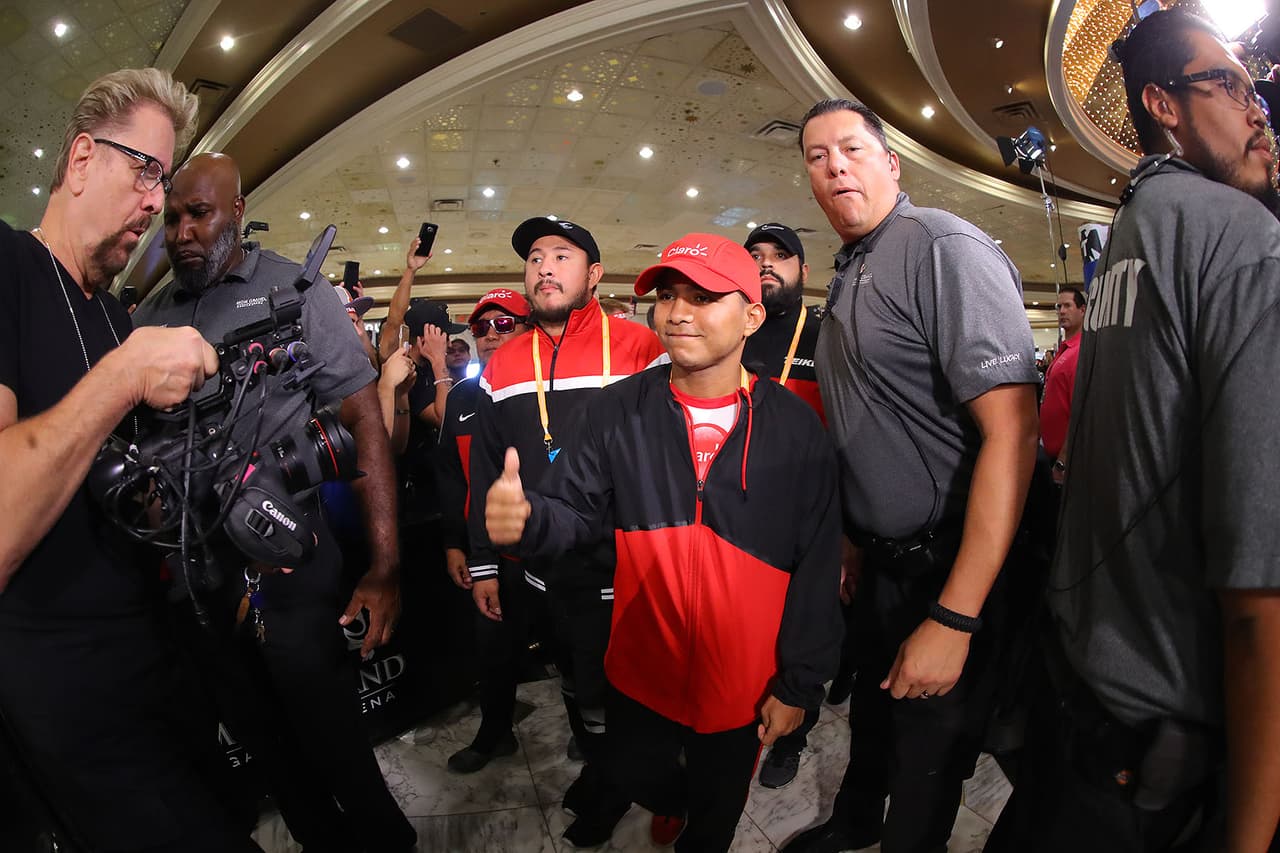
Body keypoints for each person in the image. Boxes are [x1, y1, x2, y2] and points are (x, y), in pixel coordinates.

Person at [997, 10, 1280, 850]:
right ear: (1164, 103)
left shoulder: (1132, 233)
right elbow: (1259, 591)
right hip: (1162, 742)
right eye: (1227, 84)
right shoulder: (1243, 240)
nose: (1257, 105)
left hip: (1086, 693)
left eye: (1253, 85)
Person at [485, 232, 842, 853]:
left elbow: (816, 566)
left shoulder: (795, 427)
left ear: (751, 315)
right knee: (632, 772)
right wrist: (529, 519)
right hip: (641, 666)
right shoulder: (617, 410)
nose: (678, 313)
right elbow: (571, 507)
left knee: (715, 817)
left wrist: (798, 686)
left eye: (703, 298)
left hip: (744, 682)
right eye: (669, 296)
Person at [0, 69, 264, 852]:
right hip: (72, 701)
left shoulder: (113, 315)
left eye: (165, 178)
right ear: (82, 160)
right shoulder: (9, 269)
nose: (156, 203)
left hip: (163, 668)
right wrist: (121, 379)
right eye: (144, 170)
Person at [135, 151, 415, 852]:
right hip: (200, 585)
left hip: (293, 567)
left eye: (198, 213)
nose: (181, 232)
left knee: (337, 748)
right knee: (274, 761)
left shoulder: (296, 289)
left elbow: (363, 420)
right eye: (172, 218)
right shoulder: (151, 314)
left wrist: (384, 566)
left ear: (235, 210)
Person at [784, 98, 1040, 853]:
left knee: (929, 757)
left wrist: (956, 617)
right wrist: (856, 537)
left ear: (892, 164)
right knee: (873, 716)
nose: (835, 166)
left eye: (853, 149)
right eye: (816, 156)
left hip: (951, 563)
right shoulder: (852, 268)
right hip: (883, 562)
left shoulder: (941, 247)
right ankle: (856, 819)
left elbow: (1014, 431)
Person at [467, 216, 668, 846]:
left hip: (623, 567)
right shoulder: (502, 363)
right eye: (534, 257)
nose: (544, 268)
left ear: (594, 274)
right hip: (539, 569)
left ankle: (616, 791)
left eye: (562, 255)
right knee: (577, 685)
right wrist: (483, 562)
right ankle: (606, 773)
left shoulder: (638, 346)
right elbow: (484, 473)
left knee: (623, 690)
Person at [739, 221, 844, 791]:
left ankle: (793, 738)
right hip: (734, 509)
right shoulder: (732, 327)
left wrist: (847, 536)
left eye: (780, 255)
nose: (765, 264)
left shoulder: (830, 335)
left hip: (808, 516)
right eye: (755, 255)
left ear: (804, 271)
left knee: (802, 631)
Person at [436, 288, 534, 772]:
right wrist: (455, 543)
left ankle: (590, 738)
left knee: (575, 654)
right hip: (486, 555)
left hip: (547, 553)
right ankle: (495, 733)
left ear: (529, 328)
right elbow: (452, 477)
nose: (489, 335)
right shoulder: (461, 398)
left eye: (504, 324)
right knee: (492, 654)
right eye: (480, 327)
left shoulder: (549, 387)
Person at [1039, 286, 1085, 483]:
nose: (1062, 311)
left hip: (1068, 463)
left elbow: (1080, 413)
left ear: (1082, 310)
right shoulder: (1063, 351)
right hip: (1049, 455)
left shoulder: (1080, 352)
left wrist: (1062, 462)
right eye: (1059, 306)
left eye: (1068, 305)